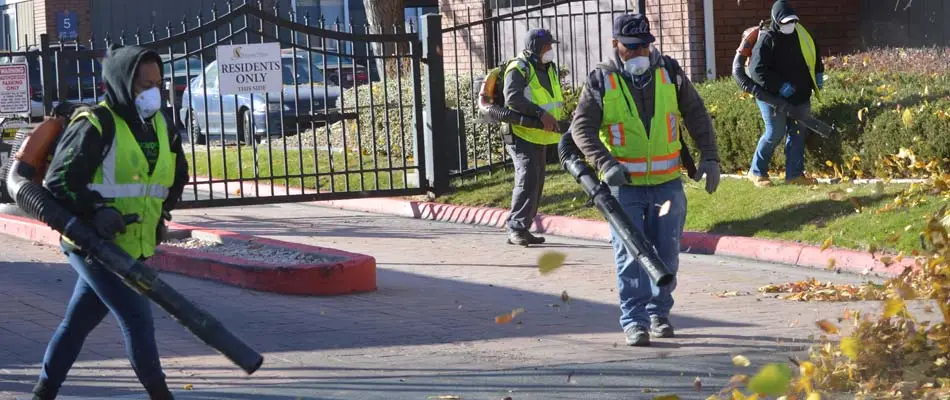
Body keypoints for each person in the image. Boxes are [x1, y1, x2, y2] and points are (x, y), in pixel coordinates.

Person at [30, 44, 189, 400]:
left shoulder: (160, 124)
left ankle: (43, 392)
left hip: (134, 245)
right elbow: (59, 181)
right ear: (119, 83)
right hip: (93, 246)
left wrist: (163, 212)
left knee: (77, 323)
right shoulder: (96, 124)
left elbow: (176, 174)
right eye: (142, 85)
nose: (151, 93)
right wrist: (96, 210)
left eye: (157, 84)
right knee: (137, 320)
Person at [570, 13, 720, 347]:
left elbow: (695, 113)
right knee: (631, 256)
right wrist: (605, 163)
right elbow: (580, 129)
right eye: (631, 48)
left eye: (645, 47)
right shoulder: (601, 80)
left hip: (667, 184)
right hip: (624, 189)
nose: (640, 54)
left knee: (666, 253)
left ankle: (659, 314)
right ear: (616, 45)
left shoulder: (669, 71)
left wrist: (710, 156)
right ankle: (634, 320)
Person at [747, 0, 823, 187]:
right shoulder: (767, 38)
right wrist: (779, 86)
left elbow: (814, 54)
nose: (790, 25)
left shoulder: (802, 35)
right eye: (785, 22)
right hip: (771, 97)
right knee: (775, 132)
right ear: (776, 21)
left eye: (792, 21)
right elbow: (757, 71)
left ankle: (794, 175)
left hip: (800, 95)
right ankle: (757, 172)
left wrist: (819, 73)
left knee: (797, 133)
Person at [502, 27, 566, 246]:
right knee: (527, 178)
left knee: (536, 182)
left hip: (540, 134)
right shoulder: (519, 68)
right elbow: (512, 98)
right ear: (536, 48)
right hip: (521, 133)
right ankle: (516, 228)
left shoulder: (548, 67)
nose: (550, 49)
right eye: (547, 46)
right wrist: (540, 113)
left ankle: (523, 227)